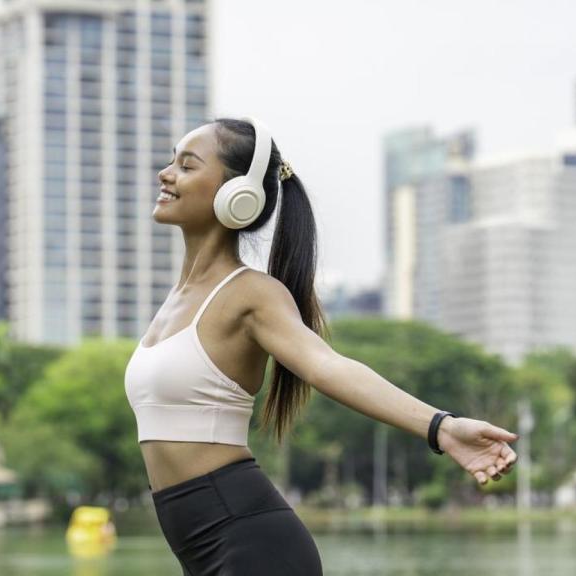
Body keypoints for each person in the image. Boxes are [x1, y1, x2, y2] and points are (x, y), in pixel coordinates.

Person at [124, 117, 519, 575]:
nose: (165, 173)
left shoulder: (249, 294)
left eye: (187, 166)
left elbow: (327, 367)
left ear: (237, 196)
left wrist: (442, 427)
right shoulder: (175, 301)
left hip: (249, 542)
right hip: (202, 544)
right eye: (172, 161)